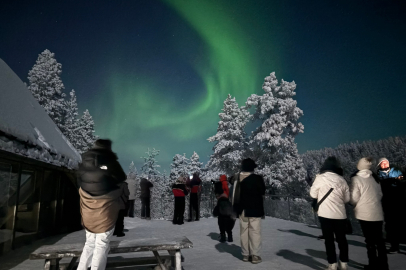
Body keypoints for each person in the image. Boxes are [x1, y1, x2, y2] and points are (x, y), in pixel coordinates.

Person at [76, 139, 127, 270]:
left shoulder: (84, 162)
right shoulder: (109, 161)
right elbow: (122, 177)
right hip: (105, 212)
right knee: (102, 244)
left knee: (89, 243)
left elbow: (80, 181)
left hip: (88, 211)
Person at [310, 156, 350, 270]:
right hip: (340, 214)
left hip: (325, 214)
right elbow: (347, 199)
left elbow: (313, 194)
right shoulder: (342, 179)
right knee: (342, 239)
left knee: (329, 240)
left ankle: (332, 264)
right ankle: (344, 262)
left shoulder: (320, 178)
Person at [350, 157, 388, 270]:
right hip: (377, 212)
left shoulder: (356, 179)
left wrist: (354, 203)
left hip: (364, 214)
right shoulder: (374, 179)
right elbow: (380, 195)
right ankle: (384, 265)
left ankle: (373, 265)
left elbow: (354, 198)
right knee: (380, 241)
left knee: (370, 241)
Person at [232, 158, 266, 264]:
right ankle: (255, 255)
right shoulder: (257, 178)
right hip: (255, 208)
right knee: (255, 231)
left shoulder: (237, 178)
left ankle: (245, 255)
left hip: (242, 209)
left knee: (244, 231)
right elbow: (262, 191)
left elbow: (234, 195)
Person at [377, 157, 404, 254]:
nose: (384, 165)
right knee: (390, 224)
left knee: (402, 223)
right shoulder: (378, 175)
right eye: (382, 163)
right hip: (386, 202)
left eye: (386, 163)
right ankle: (394, 245)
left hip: (399, 202)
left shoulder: (396, 171)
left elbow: (402, 183)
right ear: (379, 165)